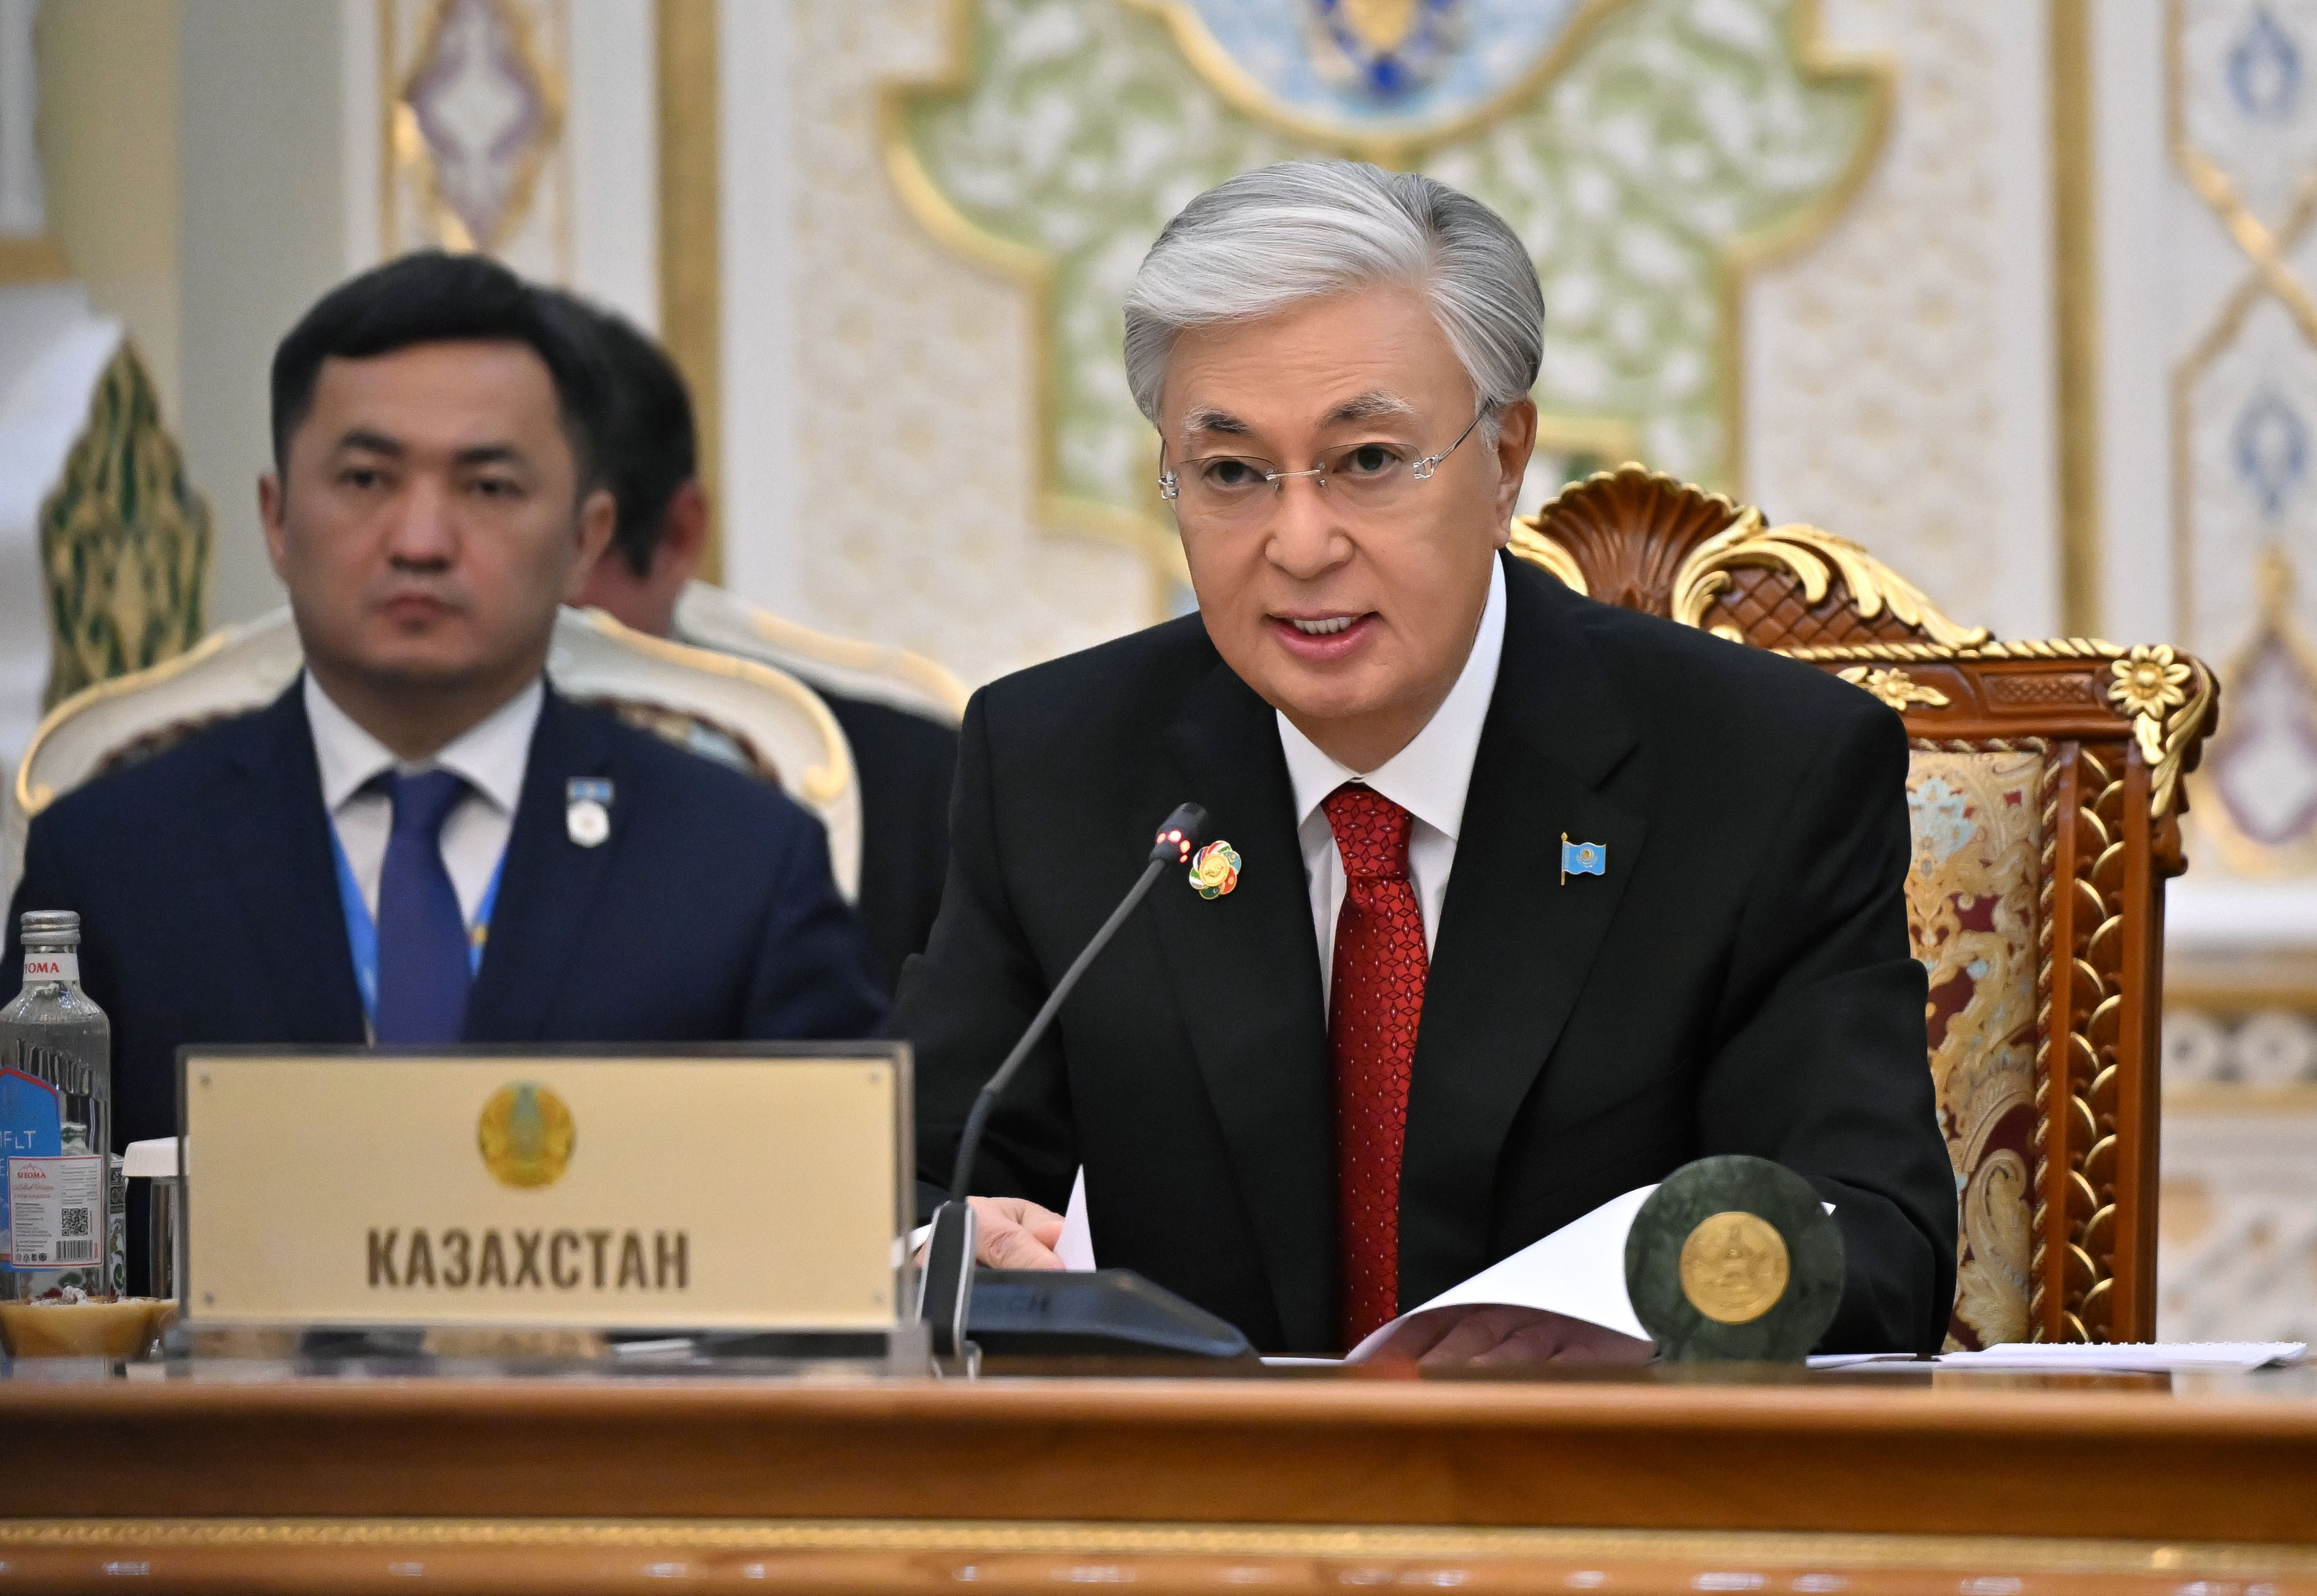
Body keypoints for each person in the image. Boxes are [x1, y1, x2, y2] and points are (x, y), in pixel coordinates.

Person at [899, 162, 1956, 1361]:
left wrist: (1640, 1315)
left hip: (1592, 1472)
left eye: (1365, 461)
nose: (1300, 545)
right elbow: (917, 1176)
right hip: (1190, 1475)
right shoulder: (1057, 766)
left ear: (1504, 460)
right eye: (1232, 473)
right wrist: (940, 1247)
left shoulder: (1759, 772)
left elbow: (1874, 1239)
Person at [6, 252, 885, 1286]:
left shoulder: (738, 861)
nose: (420, 541)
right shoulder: (114, 861)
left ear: (585, 538)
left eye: (488, 487)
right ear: (278, 520)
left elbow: (845, 1235)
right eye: (366, 480)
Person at [564, 299, 959, 996]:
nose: (431, 549)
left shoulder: (918, 794)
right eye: (371, 481)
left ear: (677, 536)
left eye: (499, 496)